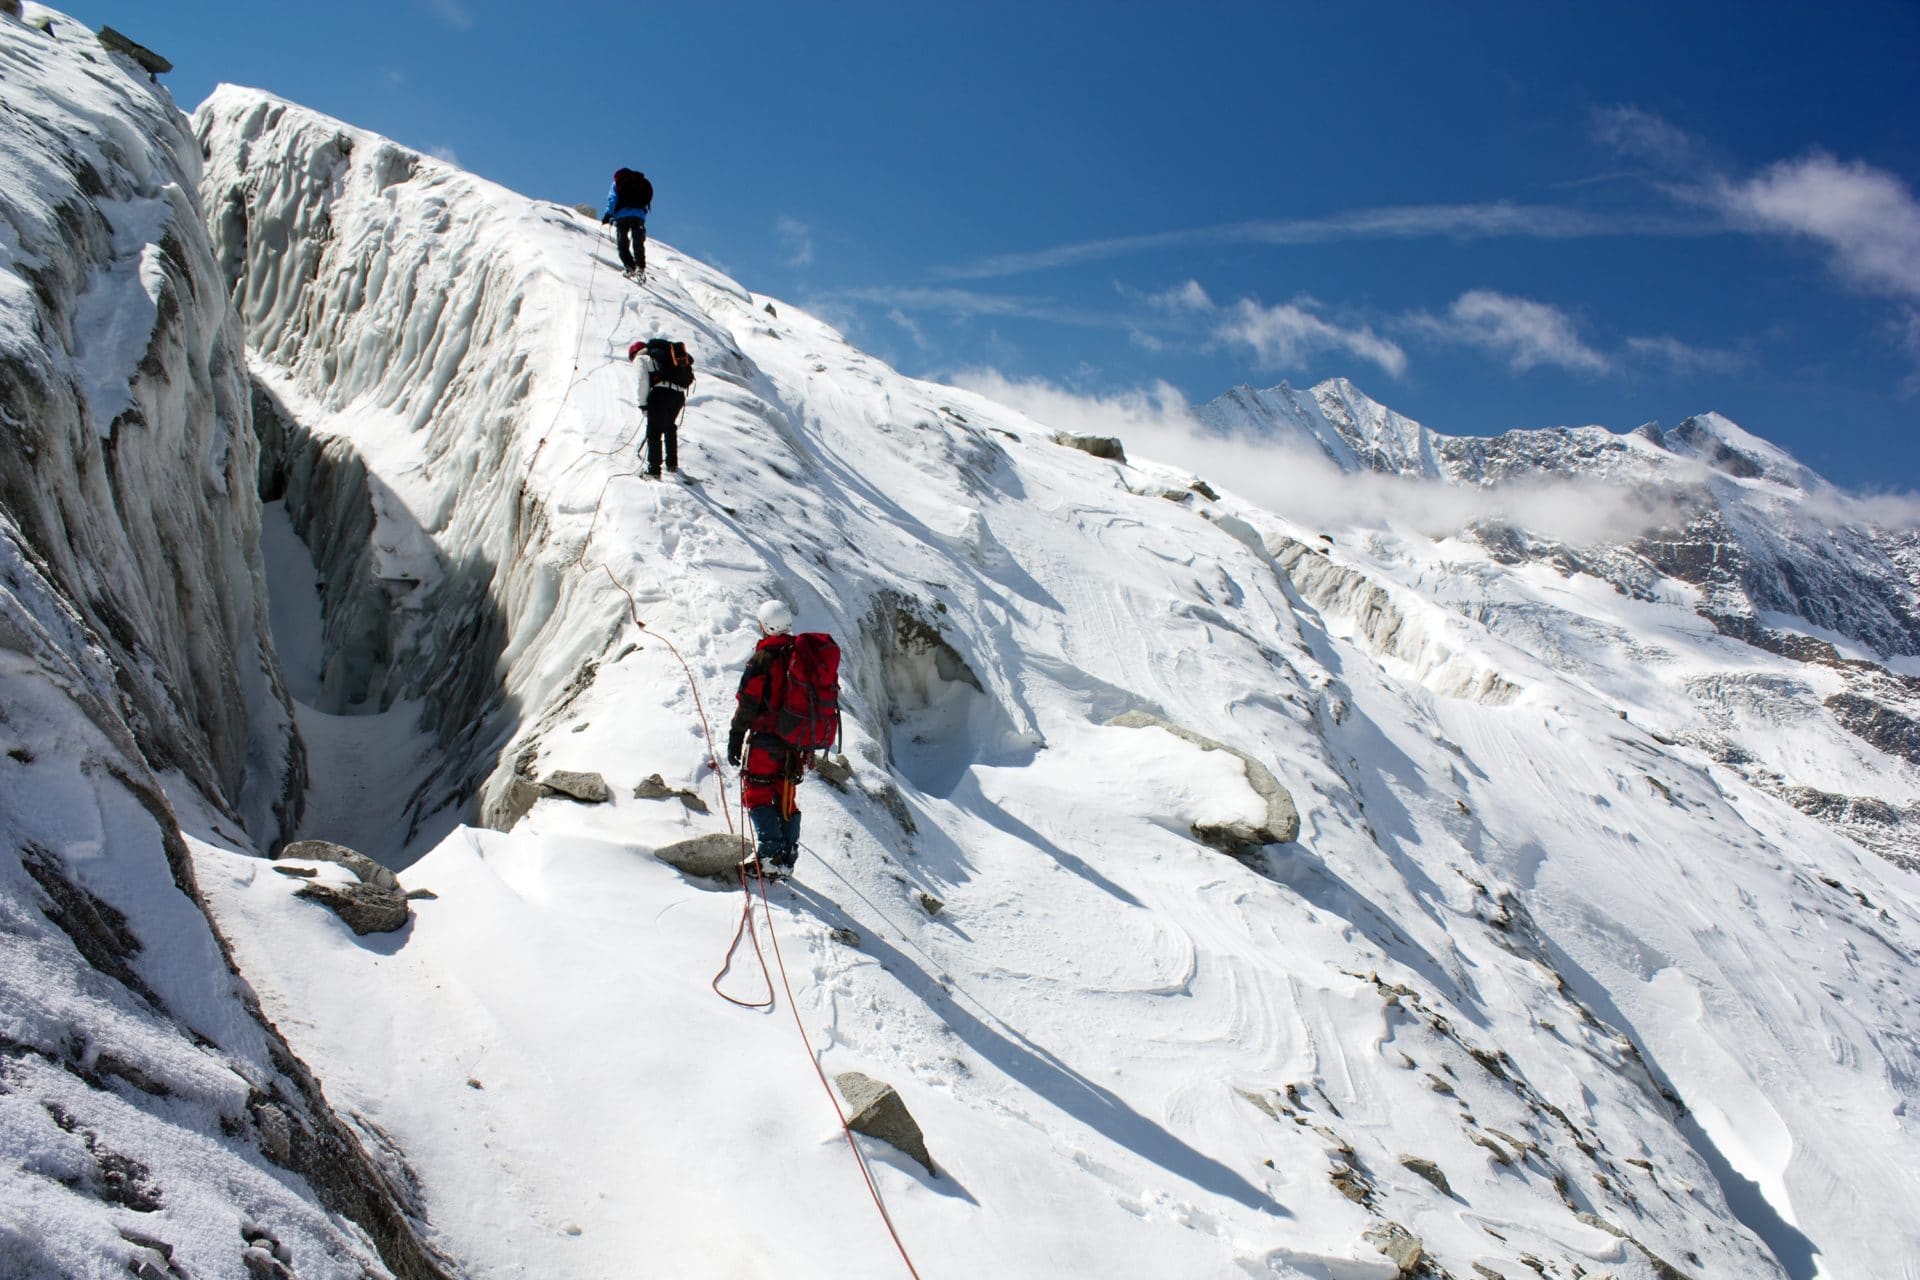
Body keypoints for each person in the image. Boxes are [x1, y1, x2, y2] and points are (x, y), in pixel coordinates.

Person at [727, 600, 807, 878]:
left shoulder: (764, 658)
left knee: (757, 793)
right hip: (795, 743)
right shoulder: (800, 655)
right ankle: (787, 856)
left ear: (764, 626)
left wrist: (736, 735)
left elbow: (748, 701)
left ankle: (771, 855)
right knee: (785, 797)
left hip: (766, 740)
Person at [627, 338, 694, 478]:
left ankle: (654, 470)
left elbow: (642, 381)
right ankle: (672, 464)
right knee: (669, 426)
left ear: (634, 353)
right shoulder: (664, 356)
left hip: (660, 394)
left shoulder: (641, 358)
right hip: (678, 395)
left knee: (654, 431)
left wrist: (643, 404)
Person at [600, 167, 653, 279]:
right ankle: (640, 267)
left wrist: (607, 215)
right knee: (638, 242)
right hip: (639, 216)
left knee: (622, 243)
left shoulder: (617, 183)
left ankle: (630, 267)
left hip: (622, 216)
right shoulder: (642, 183)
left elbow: (612, 199)